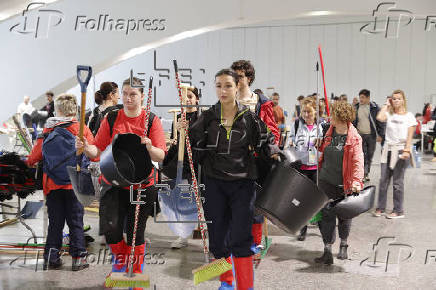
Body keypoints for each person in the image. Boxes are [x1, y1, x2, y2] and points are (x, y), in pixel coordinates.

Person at [189, 69, 278, 289]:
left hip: (243, 184)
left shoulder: (249, 117)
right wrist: (188, 132)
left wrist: (275, 152)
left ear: (237, 87)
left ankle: (245, 286)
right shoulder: (208, 117)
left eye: (228, 85)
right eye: (218, 85)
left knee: (241, 237)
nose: (223, 90)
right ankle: (226, 283)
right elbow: (194, 149)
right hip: (214, 184)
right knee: (218, 237)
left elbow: (266, 142)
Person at [76, 77, 166, 282]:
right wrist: (85, 147)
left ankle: (135, 274)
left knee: (136, 233)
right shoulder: (111, 118)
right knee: (111, 231)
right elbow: (96, 150)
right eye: (124, 93)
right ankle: (121, 266)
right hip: (113, 183)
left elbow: (161, 155)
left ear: (142, 96)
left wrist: (150, 147)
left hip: (143, 185)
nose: (127, 98)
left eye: (133, 94)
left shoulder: (151, 120)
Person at [26, 94, 94, 271]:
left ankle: (52, 257)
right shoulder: (81, 129)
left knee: (55, 223)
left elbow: (34, 157)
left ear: (58, 110)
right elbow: (94, 154)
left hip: (52, 184)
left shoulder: (48, 130)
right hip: (75, 184)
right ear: (74, 109)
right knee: (76, 222)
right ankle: (78, 259)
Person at [315, 101, 363, 265]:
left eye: (333, 114)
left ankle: (343, 244)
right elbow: (324, 150)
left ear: (340, 117)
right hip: (326, 180)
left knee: (344, 216)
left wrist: (357, 181)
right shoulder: (329, 131)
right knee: (326, 215)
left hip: (345, 183)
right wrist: (319, 144)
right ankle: (327, 249)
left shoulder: (354, 138)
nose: (330, 117)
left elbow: (358, 161)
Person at [164, 86, 201, 249]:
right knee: (184, 200)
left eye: (190, 96)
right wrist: (178, 132)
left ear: (196, 99)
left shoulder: (203, 118)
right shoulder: (179, 117)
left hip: (199, 164)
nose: (187, 99)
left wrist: (189, 131)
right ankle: (183, 235)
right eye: (185, 97)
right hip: (182, 164)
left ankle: (206, 231)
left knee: (202, 201)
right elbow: (175, 143)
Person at [374, 90, 416, 219]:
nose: (396, 101)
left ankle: (398, 210)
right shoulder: (389, 114)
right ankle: (381, 207)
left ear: (403, 100)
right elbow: (379, 118)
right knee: (383, 181)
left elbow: (410, 135)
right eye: (394, 98)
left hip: (400, 150)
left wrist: (407, 150)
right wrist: (387, 104)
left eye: (398, 98)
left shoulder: (409, 116)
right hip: (387, 149)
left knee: (397, 182)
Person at [289, 97, 323, 241]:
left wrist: (319, 145)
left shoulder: (321, 127)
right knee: (301, 199)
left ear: (315, 112)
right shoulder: (296, 125)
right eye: (304, 112)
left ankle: (322, 228)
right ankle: (303, 228)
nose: (306, 115)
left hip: (315, 167)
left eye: (309, 112)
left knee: (316, 198)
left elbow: (325, 145)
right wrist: (290, 143)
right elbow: (290, 142)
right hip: (301, 167)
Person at [352, 89, 385, 182]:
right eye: (360, 97)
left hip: (371, 136)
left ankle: (366, 173)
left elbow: (380, 122)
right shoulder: (356, 107)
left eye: (363, 97)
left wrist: (380, 135)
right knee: (362, 155)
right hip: (359, 135)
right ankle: (362, 174)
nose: (361, 99)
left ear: (368, 98)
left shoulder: (375, 108)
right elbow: (352, 121)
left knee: (369, 156)